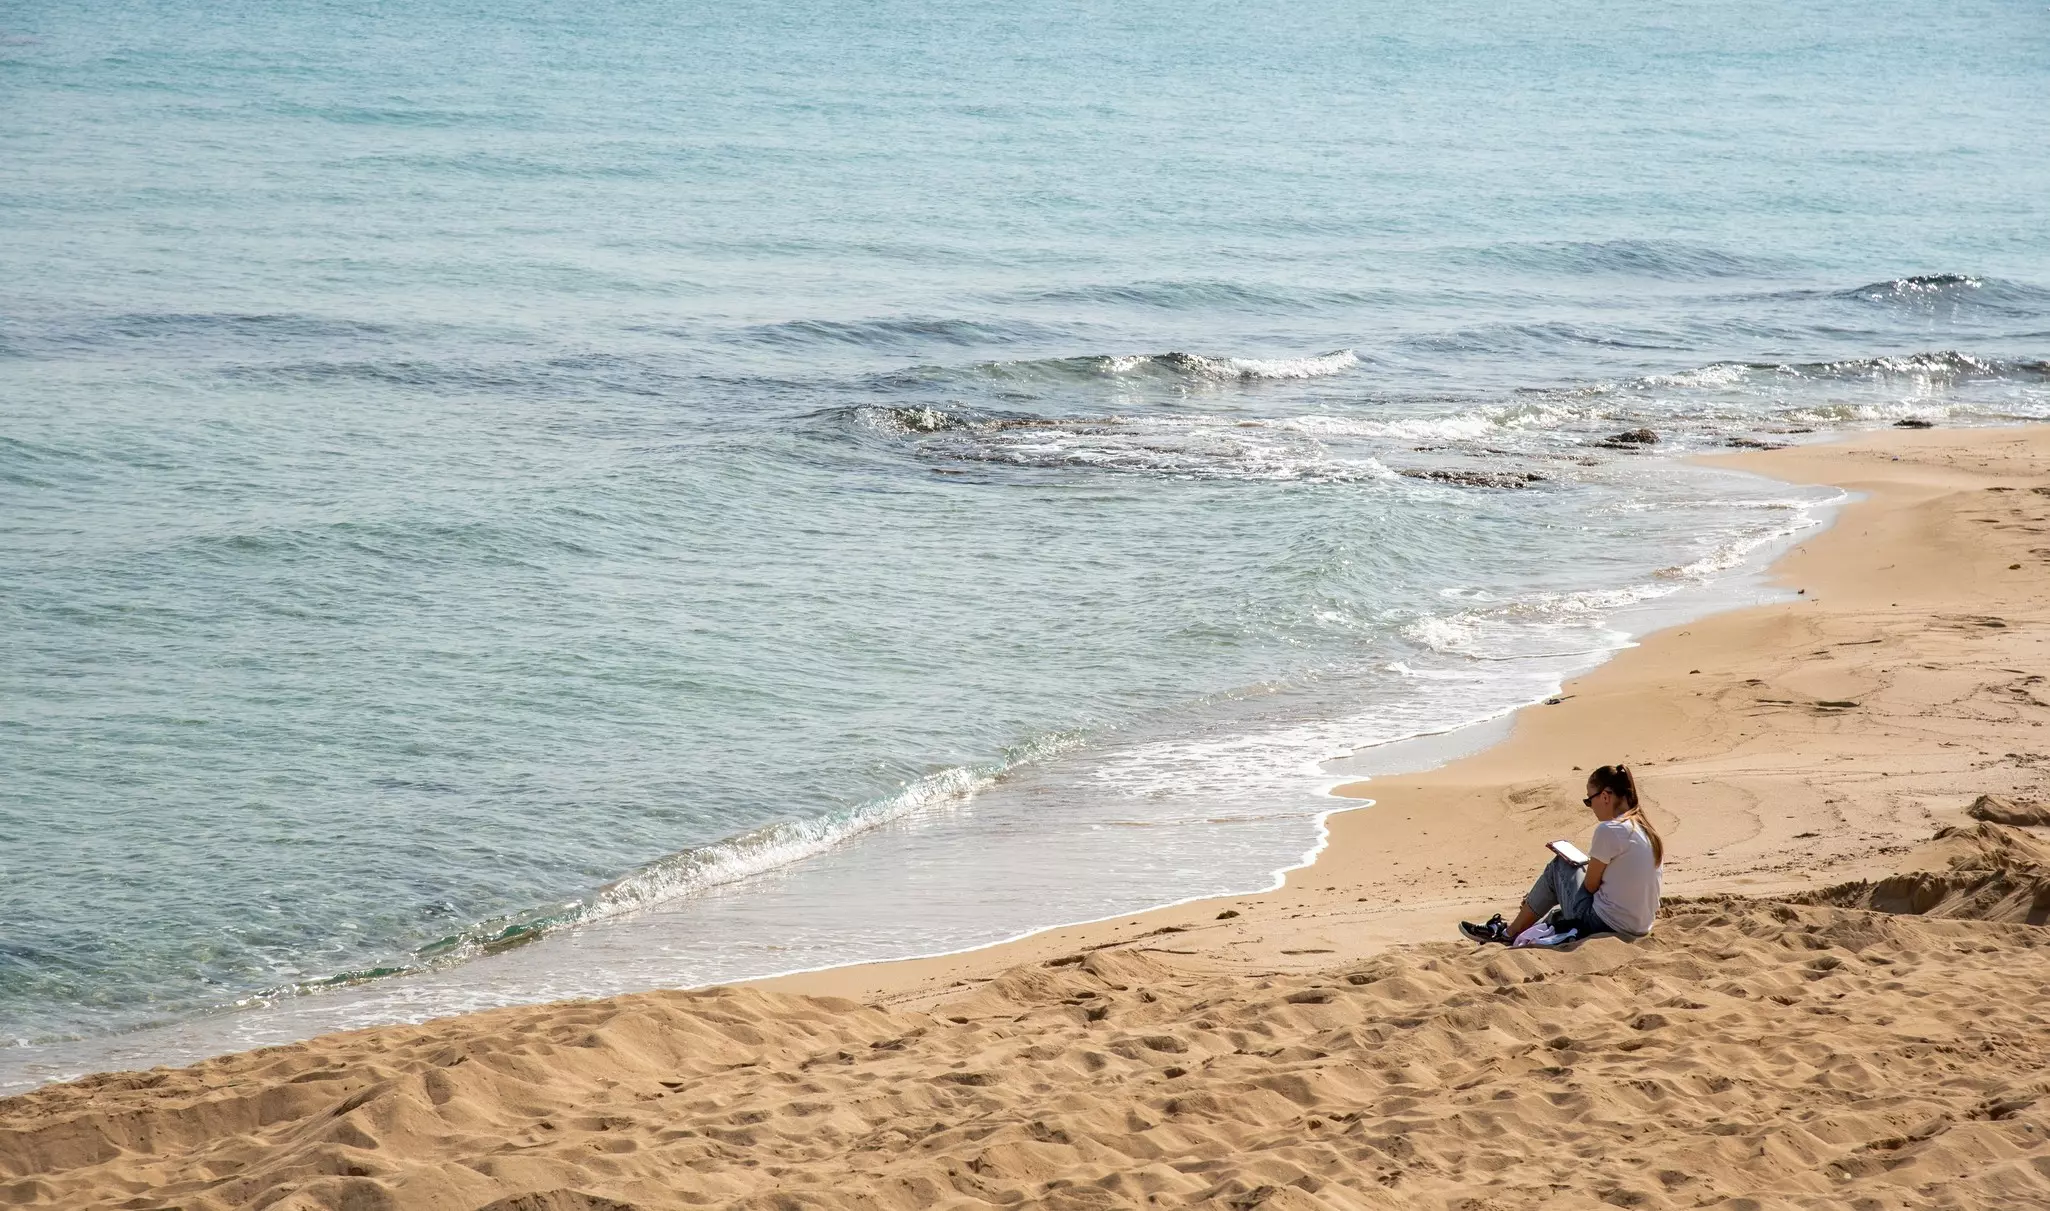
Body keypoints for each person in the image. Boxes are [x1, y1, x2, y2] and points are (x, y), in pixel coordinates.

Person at [1459, 763, 1664, 945]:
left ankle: (1509, 932)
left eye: (1588, 801)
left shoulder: (1610, 829)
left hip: (1607, 924)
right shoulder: (1646, 830)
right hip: (1640, 926)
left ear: (1604, 796)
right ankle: (1519, 925)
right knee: (1557, 914)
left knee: (1559, 866)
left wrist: (1563, 882)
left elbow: (1591, 886)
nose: (1590, 807)